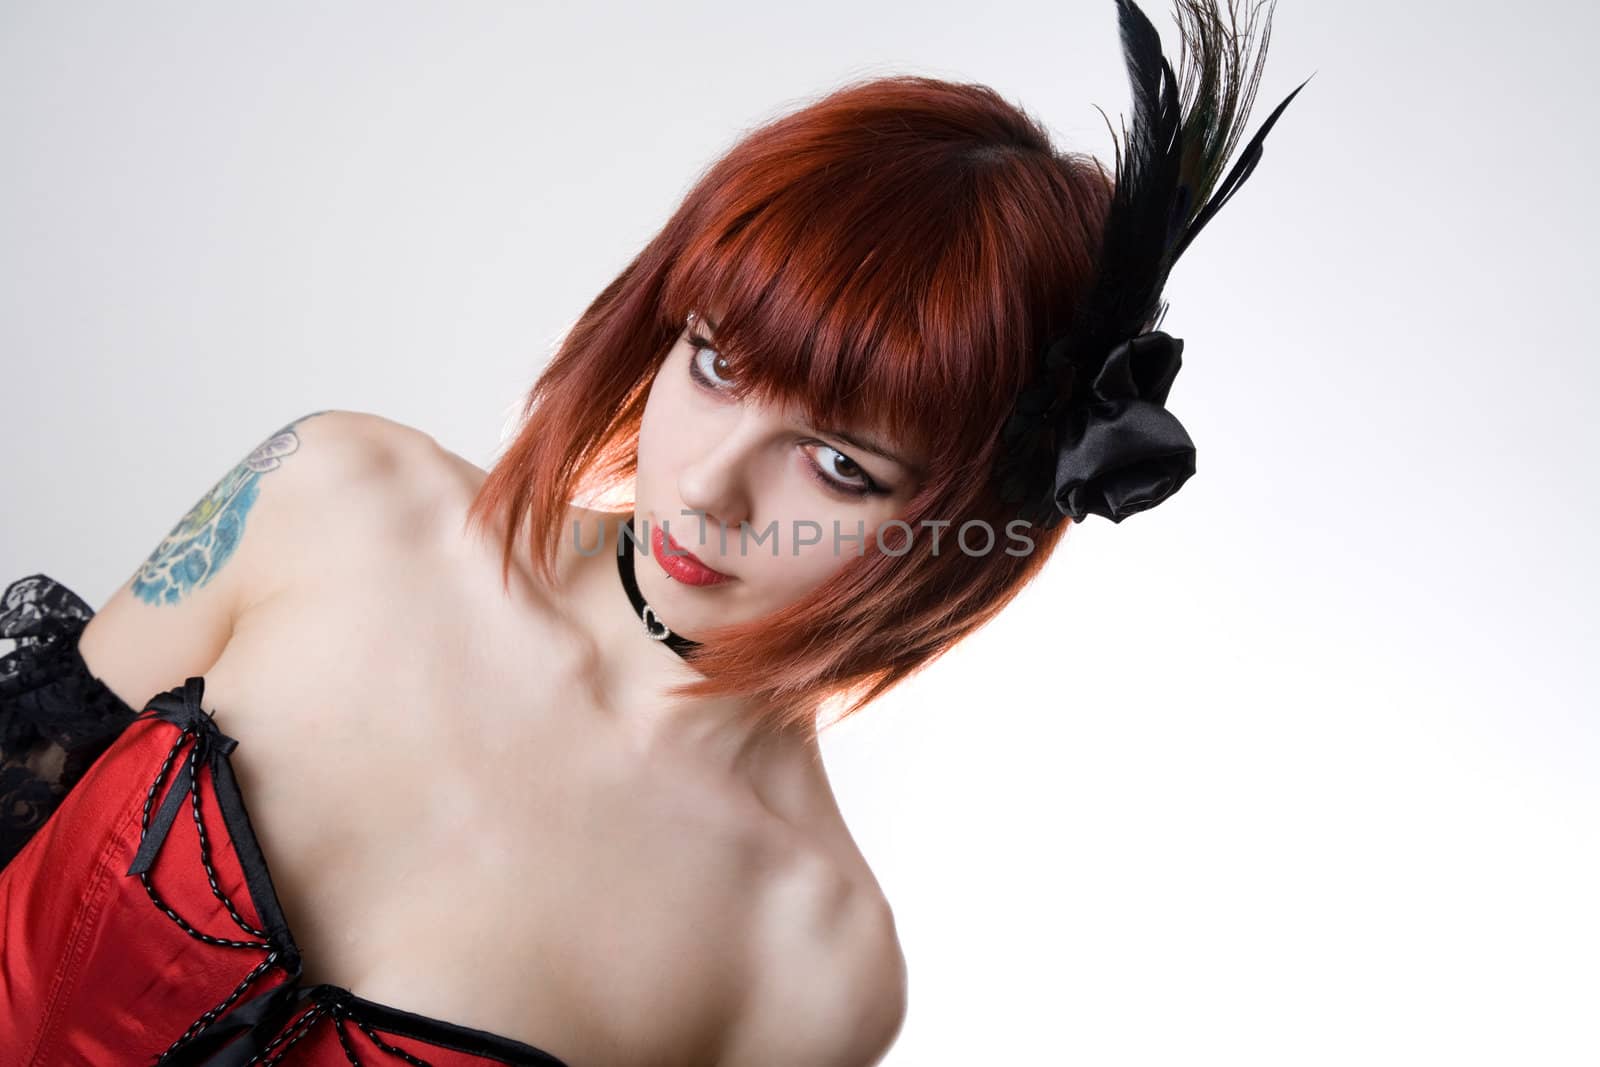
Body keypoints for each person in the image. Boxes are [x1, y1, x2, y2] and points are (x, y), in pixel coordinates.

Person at [0, 1, 1307, 1062]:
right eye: (715, 364)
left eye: (839, 462)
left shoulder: (810, 966)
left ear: (964, 524)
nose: (708, 489)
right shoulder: (337, 494)